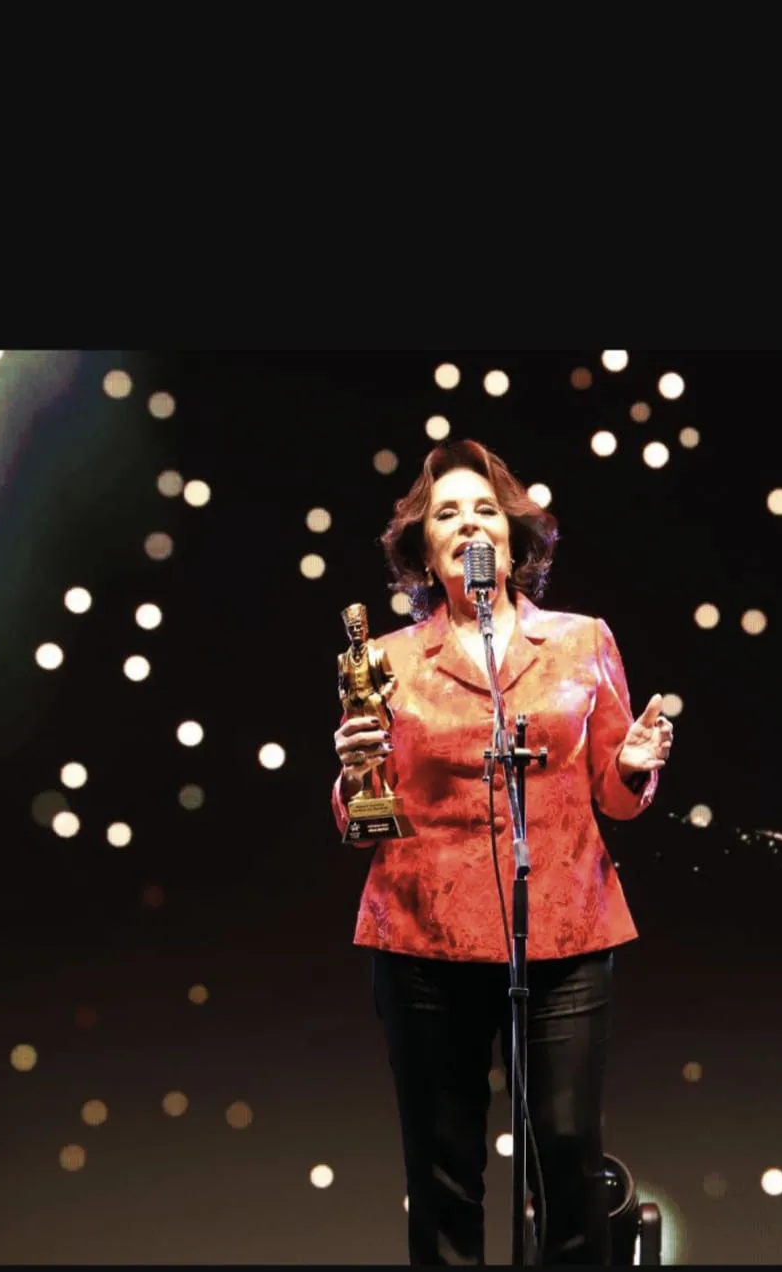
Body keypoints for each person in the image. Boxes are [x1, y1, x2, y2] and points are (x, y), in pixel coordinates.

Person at [331, 438, 673, 1266]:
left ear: (514, 543)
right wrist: (351, 777)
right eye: (447, 513)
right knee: (443, 1173)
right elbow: (364, 818)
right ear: (424, 550)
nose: (469, 524)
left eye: (485, 510)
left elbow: (613, 795)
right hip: (424, 939)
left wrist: (633, 765)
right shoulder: (386, 660)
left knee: (568, 1156)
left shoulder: (583, 641)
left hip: (565, 931)